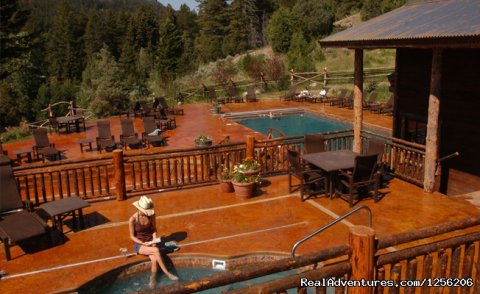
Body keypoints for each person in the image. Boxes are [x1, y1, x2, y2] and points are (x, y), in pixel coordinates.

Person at [129, 196, 178, 288]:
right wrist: (143, 243)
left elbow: (154, 230)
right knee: (156, 250)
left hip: (151, 242)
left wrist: (154, 240)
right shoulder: (133, 219)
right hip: (139, 245)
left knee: (154, 260)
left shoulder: (151, 215)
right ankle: (167, 273)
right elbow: (132, 236)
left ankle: (152, 279)